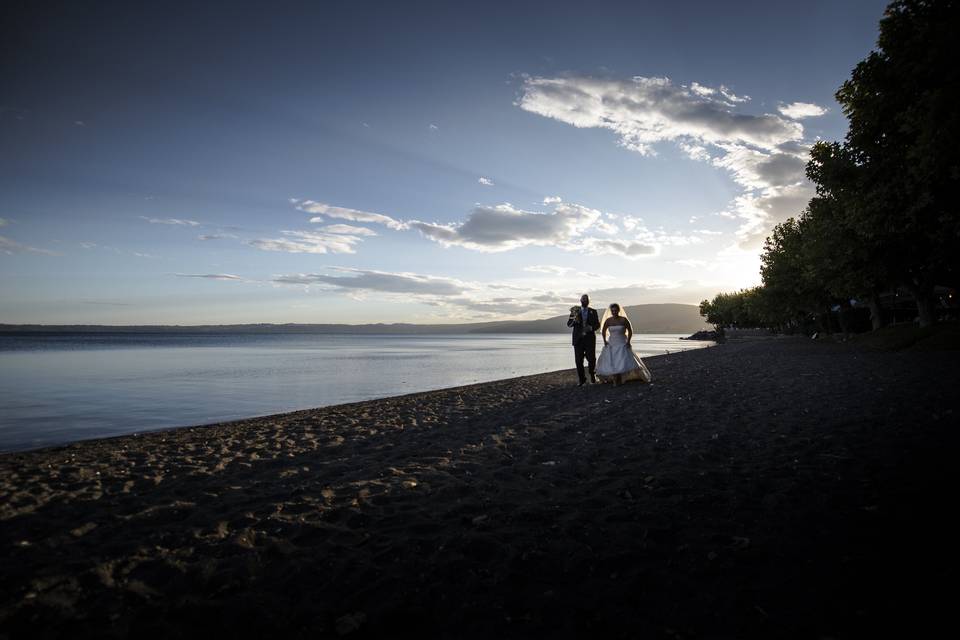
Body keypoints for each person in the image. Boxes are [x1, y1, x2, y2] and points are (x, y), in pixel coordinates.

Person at [596, 303, 652, 386]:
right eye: (612, 311)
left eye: (615, 310)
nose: (614, 312)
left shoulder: (623, 320)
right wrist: (604, 341)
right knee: (613, 360)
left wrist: (628, 341)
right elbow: (603, 331)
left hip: (622, 341)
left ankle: (620, 378)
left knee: (622, 360)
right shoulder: (608, 320)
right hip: (612, 342)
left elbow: (630, 331)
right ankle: (615, 379)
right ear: (611, 311)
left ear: (618, 310)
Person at [567, 294, 600, 386]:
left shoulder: (593, 311)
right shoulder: (574, 311)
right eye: (583, 299)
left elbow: (597, 325)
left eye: (586, 299)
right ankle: (582, 380)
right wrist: (574, 321)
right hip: (578, 340)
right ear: (580, 300)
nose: (584, 300)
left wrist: (591, 328)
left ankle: (592, 376)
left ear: (589, 301)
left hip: (590, 339)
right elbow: (569, 324)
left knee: (592, 359)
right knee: (578, 360)